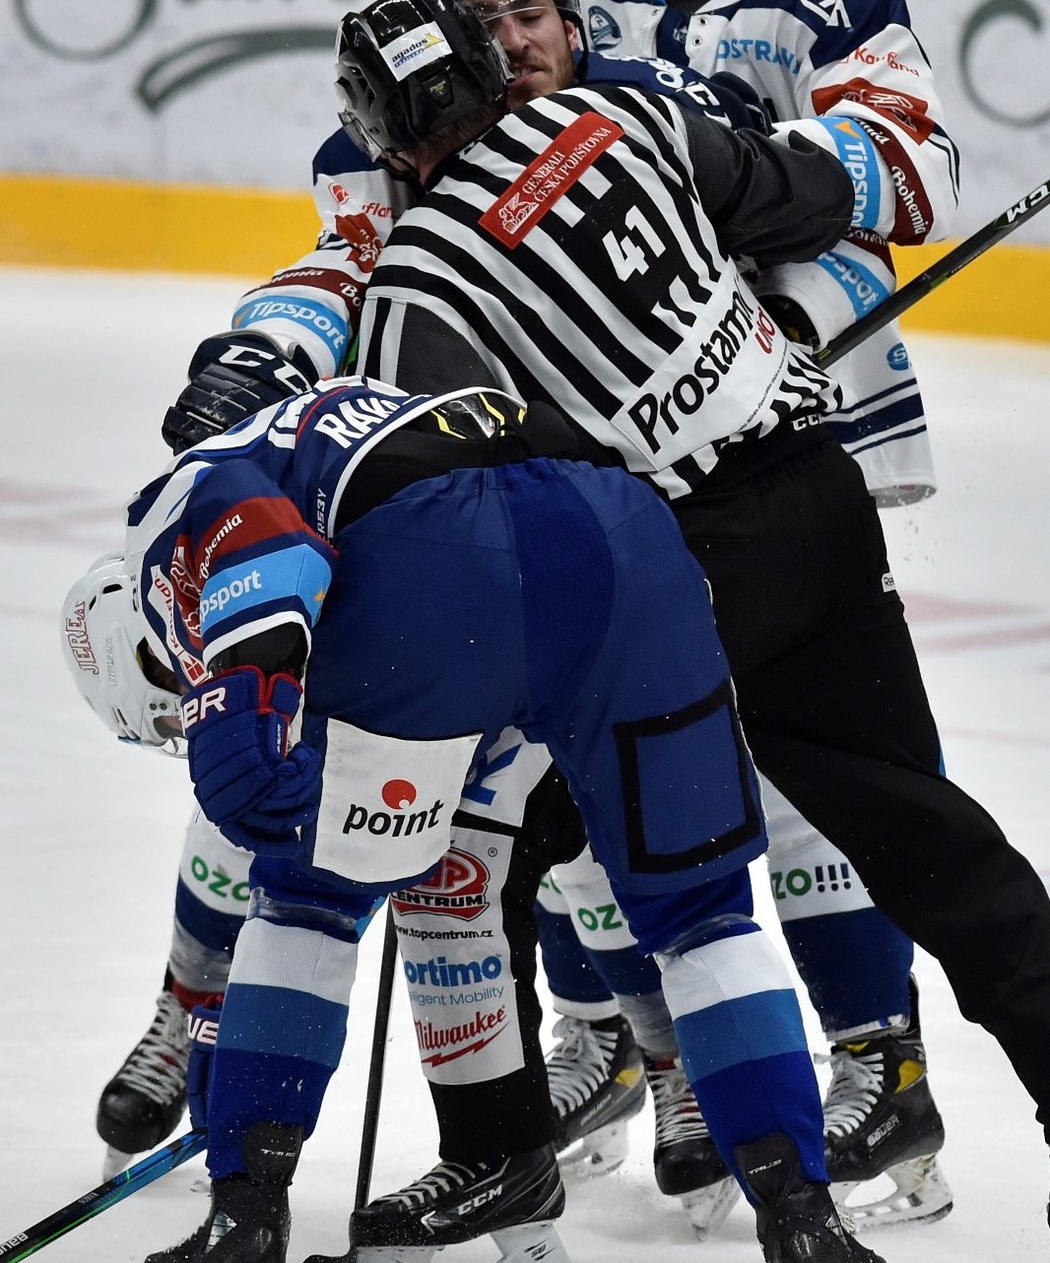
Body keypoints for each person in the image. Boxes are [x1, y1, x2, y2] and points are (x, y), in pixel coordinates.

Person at [341, 0, 1050, 1230]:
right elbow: (815, 196)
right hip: (821, 509)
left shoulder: (420, 274)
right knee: (926, 832)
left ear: (385, 135)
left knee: (479, 850)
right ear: (491, 65)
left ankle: (505, 1141)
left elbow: (445, 490)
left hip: (678, 580)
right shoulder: (626, 119)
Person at [91, 0, 784, 1206]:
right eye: (487, 22)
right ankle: (190, 1015)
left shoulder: (633, 109)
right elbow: (338, 270)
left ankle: (659, 1065)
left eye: (529, 16)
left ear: (566, 21)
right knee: (408, 833)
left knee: (586, 839)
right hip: (477, 527)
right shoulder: (394, 195)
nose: (511, 44)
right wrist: (263, 349)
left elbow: (767, 227)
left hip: (624, 518)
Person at [62, 369, 887, 1263]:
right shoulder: (341, 414)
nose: (184, 714)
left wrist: (238, 699)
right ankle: (805, 1221)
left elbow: (262, 540)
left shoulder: (171, 516)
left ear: (134, 640)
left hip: (439, 565)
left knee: (309, 900)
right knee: (703, 916)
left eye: (169, 705)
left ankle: (247, 1214)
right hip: (625, 538)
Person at [547, 0, 963, 1226]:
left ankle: (880, 1062)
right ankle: (617, 1046)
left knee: (788, 769)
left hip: (784, 427)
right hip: (603, 413)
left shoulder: (829, 6)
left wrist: (740, 166)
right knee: (563, 749)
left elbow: (915, 179)